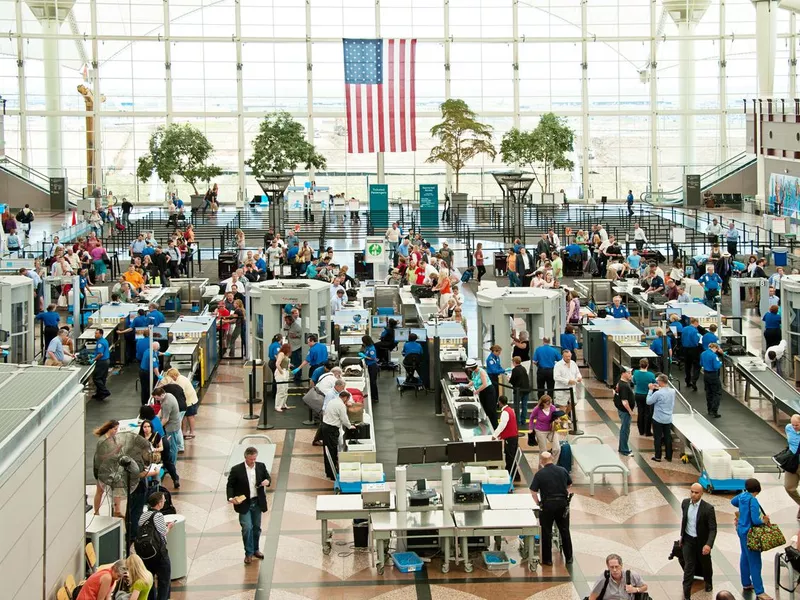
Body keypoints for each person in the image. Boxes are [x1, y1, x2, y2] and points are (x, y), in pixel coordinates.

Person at [227, 446, 271, 564]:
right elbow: (230, 485)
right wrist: (231, 498)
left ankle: (256, 549)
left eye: (255, 459)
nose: (253, 461)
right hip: (244, 503)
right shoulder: (237, 469)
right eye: (251, 459)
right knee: (247, 527)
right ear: (246, 457)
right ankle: (248, 553)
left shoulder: (261, 466)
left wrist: (267, 481)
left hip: (257, 502)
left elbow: (268, 478)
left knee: (256, 528)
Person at [529, 451, 573, 567]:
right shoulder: (562, 470)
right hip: (562, 504)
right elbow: (569, 485)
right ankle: (569, 557)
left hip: (547, 505)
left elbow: (533, 491)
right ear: (552, 459)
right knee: (564, 530)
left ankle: (547, 560)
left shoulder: (540, 474)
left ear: (541, 461)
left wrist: (538, 503)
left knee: (546, 532)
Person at [731, 479, 772, 600]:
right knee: (755, 561)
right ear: (757, 490)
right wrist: (764, 520)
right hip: (751, 534)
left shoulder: (742, 496)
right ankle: (760, 591)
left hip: (741, 530)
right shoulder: (753, 500)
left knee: (744, 556)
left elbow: (733, 501)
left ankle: (746, 583)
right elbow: (755, 520)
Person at [680, 483, 717, 599]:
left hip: (702, 542)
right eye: (692, 491)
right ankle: (686, 594)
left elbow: (713, 529)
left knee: (705, 563)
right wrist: (682, 537)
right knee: (689, 566)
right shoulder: (685, 503)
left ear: (701, 494)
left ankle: (708, 582)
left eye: (696, 492)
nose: (693, 494)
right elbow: (685, 520)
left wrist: (708, 544)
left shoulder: (708, 509)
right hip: (688, 540)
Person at [138, 491, 173, 600]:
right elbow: (163, 533)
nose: (165, 501)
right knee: (164, 580)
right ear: (159, 503)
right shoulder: (158, 515)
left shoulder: (143, 515)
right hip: (159, 552)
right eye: (163, 500)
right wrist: (169, 527)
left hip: (146, 552)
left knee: (150, 579)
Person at [321, 390, 356, 479]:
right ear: (345, 398)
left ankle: (329, 472)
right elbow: (344, 418)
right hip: (331, 429)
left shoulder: (332, 401)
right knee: (332, 450)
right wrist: (350, 426)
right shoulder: (341, 405)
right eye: (347, 400)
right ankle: (332, 474)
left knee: (328, 450)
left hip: (325, 426)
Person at [152, 387, 180, 489]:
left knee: (172, 447)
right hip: (175, 423)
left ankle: (172, 463)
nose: (157, 400)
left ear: (161, 395)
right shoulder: (168, 395)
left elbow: (165, 418)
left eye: (157, 398)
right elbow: (161, 411)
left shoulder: (167, 403)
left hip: (171, 426)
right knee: (173, 445)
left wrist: (157, 427)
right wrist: (156, 417)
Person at [647, 373, 675, 462]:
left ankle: (658, 456)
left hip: (658, 419)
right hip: (668, 418)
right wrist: (658, 388)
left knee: (658, 438)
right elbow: (665, 392)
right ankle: (669, 456)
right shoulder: (672, 391)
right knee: (667, 437)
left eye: (658, 381)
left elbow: (649, 401)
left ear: (661, 382)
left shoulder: (658, 394)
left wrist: (650, 390)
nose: (657, 382)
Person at [465, 358, 498, 429]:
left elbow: (485, 384)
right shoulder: (474, 372)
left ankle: (494, 427)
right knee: (484, 409)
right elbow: (473, 381)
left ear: (471, 367)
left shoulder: (481, 372)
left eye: (469, 368)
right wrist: (466, 386)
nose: (468, 369)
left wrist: (477, 391)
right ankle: (488, 426)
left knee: (491, 410)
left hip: (489, 391)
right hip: (482, 392)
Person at [492, 395, 520, 478]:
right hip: (514, 436)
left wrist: (494, 435)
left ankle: (510, 475)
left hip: (510, 438)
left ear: (499, 402)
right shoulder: (510, 410)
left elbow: (502, 425)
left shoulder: (505, 412)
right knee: (512, 456)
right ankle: (516, 475)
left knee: (509, 457)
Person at [530, 394, 561, 462]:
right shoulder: (537, 409)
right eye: (547, 403)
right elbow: (531, 417)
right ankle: (543, 466)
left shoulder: (553, 408)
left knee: (557, 449)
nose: (549, 405)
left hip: (551, 430)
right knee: (543, 451)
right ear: (542, 403)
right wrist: (531, 428)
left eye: (550, 402)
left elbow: (555, 417)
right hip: (540, 431)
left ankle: (553, 464)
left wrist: (557, 420)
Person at [615, 369, 635, 456]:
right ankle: (624, 449)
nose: (631, 375)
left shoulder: (620, 382)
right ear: (623, 373)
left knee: (625, 429)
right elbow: (624, 401)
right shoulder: (624, 386)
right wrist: (630, 411)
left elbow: (614, 392)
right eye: (629, 373)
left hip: (621, 409)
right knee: (625, 430)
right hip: (625, 411)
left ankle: (622, 447)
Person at [701, 342, 724, 418]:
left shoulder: (703, 353)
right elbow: (716, 366)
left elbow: (701, 363)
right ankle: (715, 411)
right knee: (717, 393)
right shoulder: (714, 356)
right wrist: (720, 362)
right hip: (713, 375)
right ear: (715, 348)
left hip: (706, 375)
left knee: (709, 392)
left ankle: (709, 409)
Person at [783, 415, 800, 518]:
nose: (794, 427)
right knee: (789, 487)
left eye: (797, 425)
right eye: (793, 424)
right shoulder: (788, 428)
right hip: (792, 463)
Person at [508, 356, 530, 429]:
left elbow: (512, 381)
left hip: (518, 390)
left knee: (517, 406)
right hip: (526, 389)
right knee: (524, 405)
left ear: (514, 362)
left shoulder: (515, 370)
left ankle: (517, 421)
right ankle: (523, 420)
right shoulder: (523, 368)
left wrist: (509, 379)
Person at [682, 317, 702, 392]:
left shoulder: (684, 329)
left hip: (685, 349)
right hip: (693, 349)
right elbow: (695, 340)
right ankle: (694, 380)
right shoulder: (695, 330)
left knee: (687, 365)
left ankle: (687, 380)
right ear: (696, 322)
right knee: (696, 365)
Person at [92, 328, 111, 401]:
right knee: (102, 378)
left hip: (102, 362)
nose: (95, 335)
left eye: (96, 333)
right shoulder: (104, 340)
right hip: (106, 361)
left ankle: (105, 392)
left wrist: (94, 359)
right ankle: (100, 394)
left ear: (101, 334)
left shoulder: (100, 343)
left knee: (96, 378)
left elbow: (100, 354)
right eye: (95, 333)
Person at [360, 335, 380, 403]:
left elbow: (373, 358)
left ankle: (375, 397)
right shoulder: (368, 347)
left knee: (373, 382)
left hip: (373, 366)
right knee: (371, 382)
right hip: (369, 365)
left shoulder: (372, 349)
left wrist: (364, 356)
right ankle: (372, 396)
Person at [274, 342, 292, 412]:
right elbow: (277, 364)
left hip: (285, 372)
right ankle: (278, 405)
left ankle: (283, 404)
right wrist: (281, 372)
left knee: (285, 390)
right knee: (281, 390)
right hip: (281, 373)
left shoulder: (286, 355)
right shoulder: (281, 354)